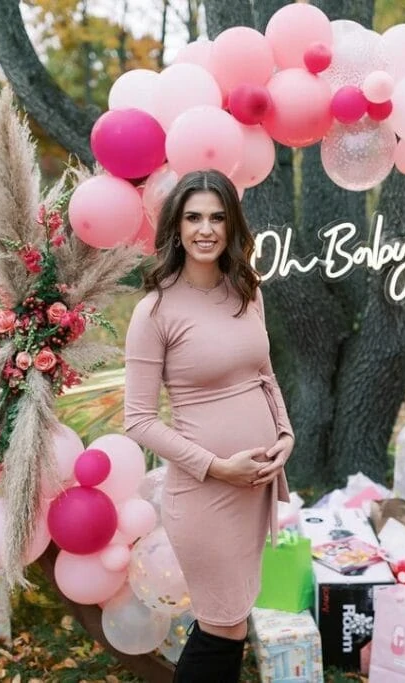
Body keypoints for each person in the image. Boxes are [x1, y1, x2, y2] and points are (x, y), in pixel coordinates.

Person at [123, 169, 295, 682]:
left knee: (233, 621)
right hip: (206, 494)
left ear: (232, 225)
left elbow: (264, 374)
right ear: (176, 228)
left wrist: (285, 435)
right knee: (222, 626)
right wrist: (218, 467)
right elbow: (139, 420)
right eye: (193, 217)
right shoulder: (154, 311)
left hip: (253, 489)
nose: (205, 229)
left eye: (217, 218)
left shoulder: (247, 291)